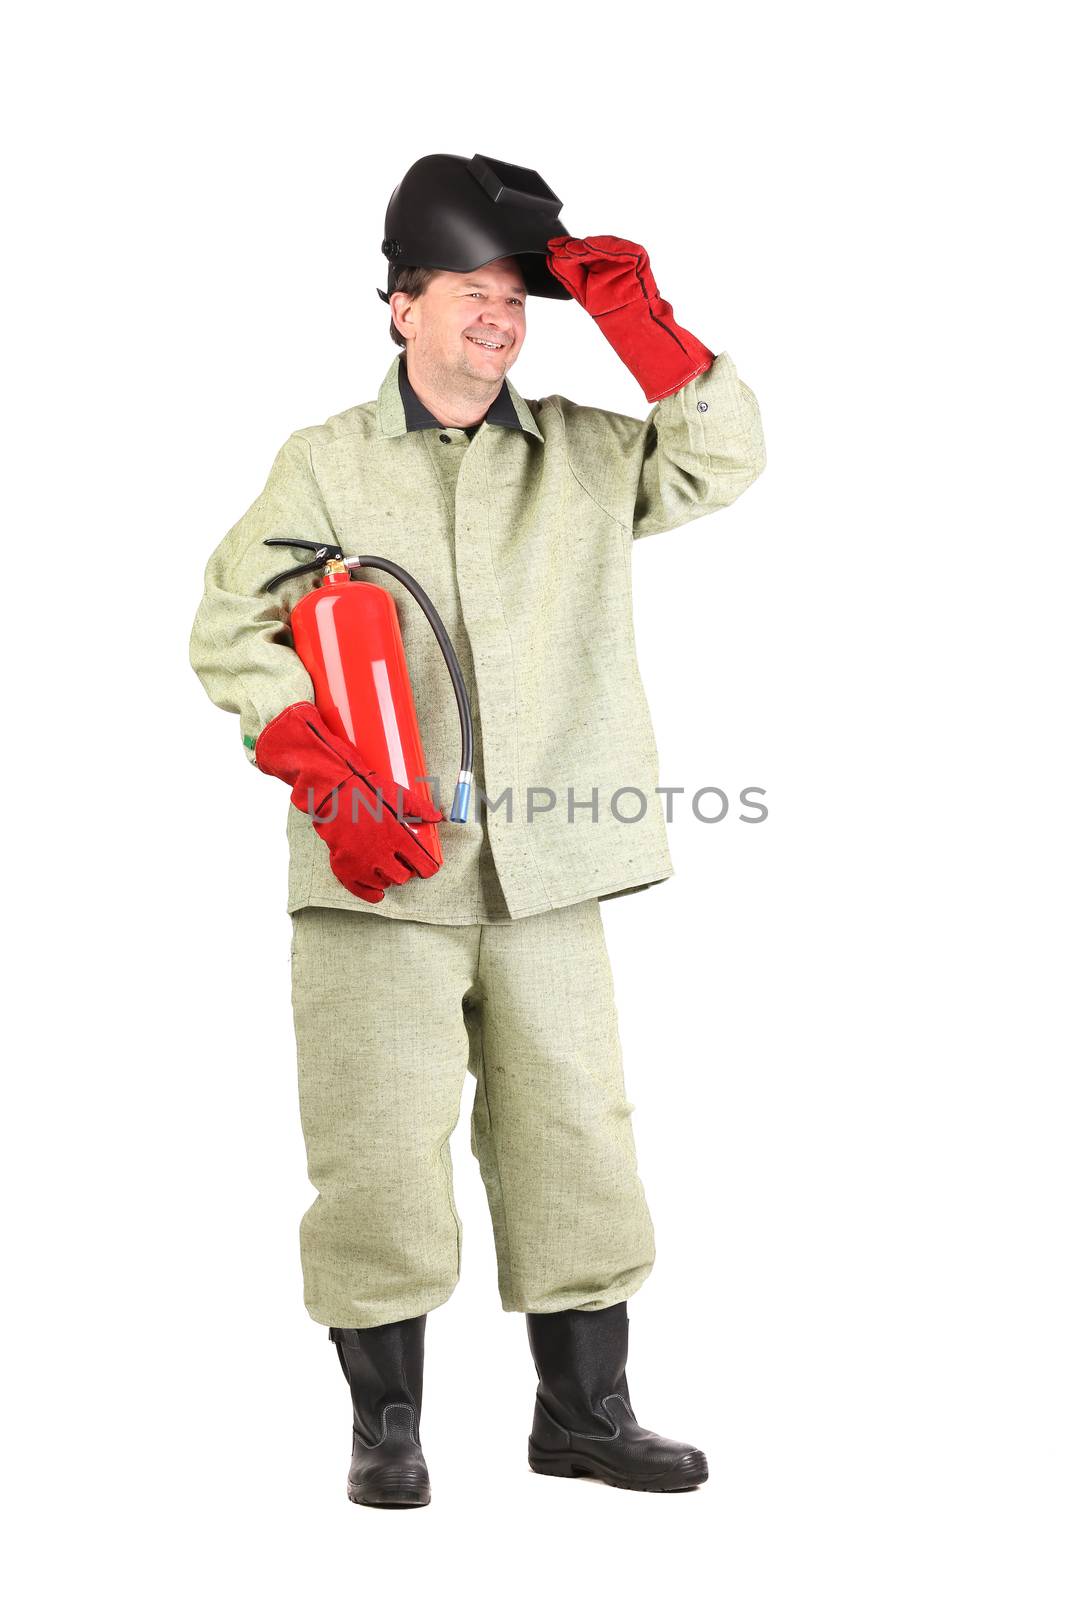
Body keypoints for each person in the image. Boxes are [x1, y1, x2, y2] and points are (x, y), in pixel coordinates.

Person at [189, 152, 766, 1507]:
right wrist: (316, 765)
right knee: (377, 1148)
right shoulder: (324, 466)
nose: (499, 315)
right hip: (375, 877)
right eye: (471, 290)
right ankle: (386, 1427)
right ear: (401, 306)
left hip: (550, 868)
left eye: (517, 294)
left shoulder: (581, 454)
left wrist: (646, 327)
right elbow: (232, 628)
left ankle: (585, 1416)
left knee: (577, 1136)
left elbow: (726, 458)